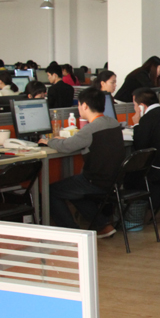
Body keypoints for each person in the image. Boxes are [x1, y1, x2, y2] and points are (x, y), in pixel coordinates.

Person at [40, 87, 124, 238]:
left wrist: (48, 141)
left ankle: (72, 232)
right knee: (73, 189)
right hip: (113, 180)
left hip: (95, 181)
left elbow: (66, 147)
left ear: (84, 106)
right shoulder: (113, 123)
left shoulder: (90, 129)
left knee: (51, 191)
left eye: (78, 105)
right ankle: (103, 225)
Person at [128, 87, 160, 210]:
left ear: (141, 106)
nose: (134, 109)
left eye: (135, 105)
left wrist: (137, 124)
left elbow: (140, 147)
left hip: (159, 169)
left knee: (129, 175)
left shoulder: (147, 119)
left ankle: (137, 210)